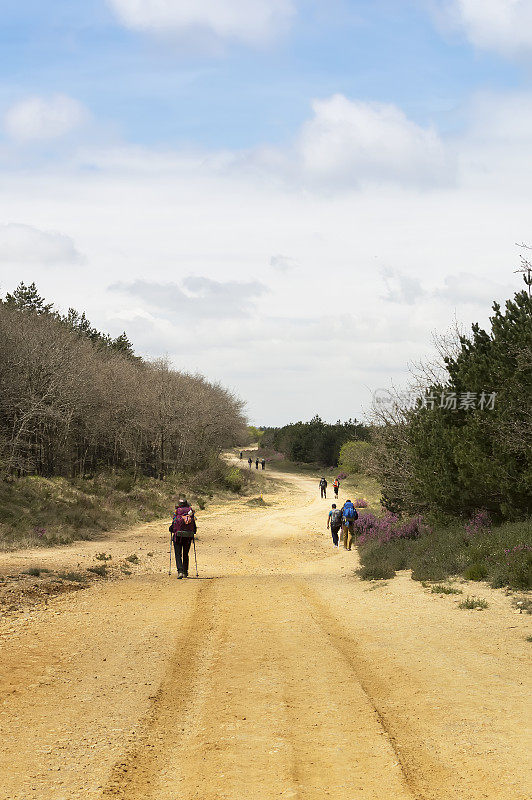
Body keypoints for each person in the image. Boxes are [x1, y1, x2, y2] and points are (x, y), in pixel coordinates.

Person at [170, 498, 196, 578]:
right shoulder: (190, 512)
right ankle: (185, 572)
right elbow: (194, 526)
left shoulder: (177, 511)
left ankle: (180, 571)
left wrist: (171, 529)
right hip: (188, 536)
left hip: (178, 536)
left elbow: (173, 525)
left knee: (178, 554)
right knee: (185, 554)